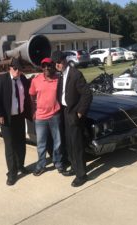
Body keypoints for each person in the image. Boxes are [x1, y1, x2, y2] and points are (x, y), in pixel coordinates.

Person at [51, 50, 93, 187]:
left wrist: (80, 112)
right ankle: (75, 168)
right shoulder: (62, 76)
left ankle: (82, 175)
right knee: (69, 144)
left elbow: (87, 94)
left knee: (77, 145)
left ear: (64, 60)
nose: (57, 65)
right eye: (55, 63)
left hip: (74, 113)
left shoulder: (75, 74)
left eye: (58, 62)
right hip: (65, 112)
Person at [0, 57, 32, 186]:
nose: (17, 71)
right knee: (10, 146)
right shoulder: (2, 79)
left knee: (21, 143)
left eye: (19, 69)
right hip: (7, 119)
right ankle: (12, 173)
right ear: (10, 68)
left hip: (19, 117)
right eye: (15, 69)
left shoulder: (23, 79)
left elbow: (29, 92)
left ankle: (21, 166)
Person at [29, 57, 64, 176]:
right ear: (41, 67)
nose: (46, 68)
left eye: (48, 65)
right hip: (40, 117)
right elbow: (32, 96)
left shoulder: (58, 79)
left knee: (58, 142)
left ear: (52, 66)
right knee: (41, 143)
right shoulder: (36, 80)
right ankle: (41, 165)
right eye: (44, 66)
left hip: (55, 115)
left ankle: (58, 163)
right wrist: (34, 110)